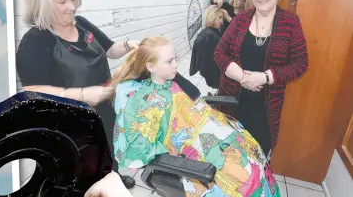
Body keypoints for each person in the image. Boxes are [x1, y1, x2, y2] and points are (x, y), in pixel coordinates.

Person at [109, 36, 281, 197]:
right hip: (191, 146)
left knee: (254, 153)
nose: (176, 65)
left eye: (175, 59)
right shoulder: (143, 100)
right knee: (246, 177)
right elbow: (138, 147)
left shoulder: (172, 83)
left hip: (208, 129)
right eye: (169, 61)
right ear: (150, 67)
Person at [15, 0, 138, 189]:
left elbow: (110, 50)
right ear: (42, 4)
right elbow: (33, 91)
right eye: (63, 2)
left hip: (104, 109)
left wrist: (131, 45)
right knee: (82, 170)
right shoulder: (35, 41)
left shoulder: (81, 23)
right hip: (71, 122)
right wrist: (82, 95)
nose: (72, 6)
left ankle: (114, 176)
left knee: (109, 148)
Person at [214, 0, 308, 159]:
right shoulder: (240, 20)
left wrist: (265, 77)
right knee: (230, 153)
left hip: (266, 107)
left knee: (258, 154)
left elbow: (300, 63)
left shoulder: (290, 22)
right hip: (232, 99)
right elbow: (219, 53)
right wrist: (243, 77)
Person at [189, 5, 224, 89]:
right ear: (212, 17)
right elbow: (208, 64)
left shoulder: (209, 33)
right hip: (215, 76)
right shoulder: (209, 36)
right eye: (219, 18)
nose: (222, 21)